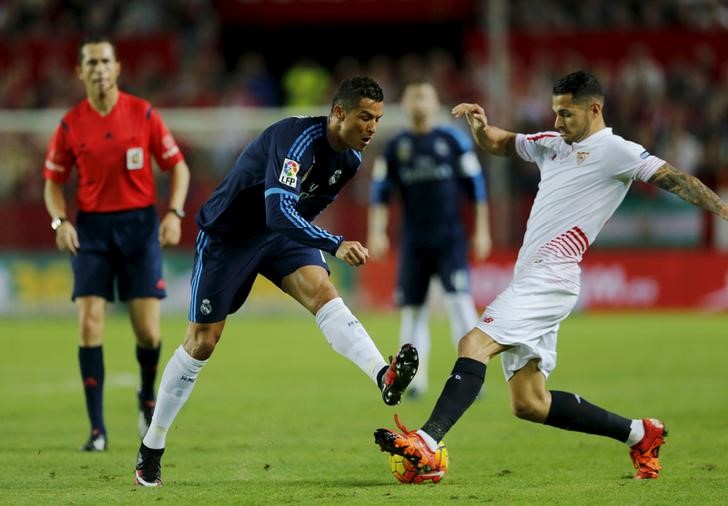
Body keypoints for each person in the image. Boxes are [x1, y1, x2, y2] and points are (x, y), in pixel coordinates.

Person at [374, 70, 728, 480]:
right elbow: (503, 143)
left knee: (474, 342)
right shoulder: (553, 145)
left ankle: (428, 441)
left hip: (552, 275)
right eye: (555, 112)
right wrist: (480, 127)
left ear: (594, 109)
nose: (558, 122)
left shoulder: (617, 151)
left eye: (566, 114)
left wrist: (722, 210)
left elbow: (675, 179)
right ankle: (639, 434)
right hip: (533, 277)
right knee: (529, 402)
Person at [134, 76, 419, 487]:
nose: (372, 127)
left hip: (279, 235)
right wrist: (335, 244)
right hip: (228, 237)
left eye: (377, 118)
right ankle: (152, 448)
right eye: (364, 117)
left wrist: (320, 247)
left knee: (323, 291)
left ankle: (383, 375)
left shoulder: (350, 162)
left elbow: (298, 214)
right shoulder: (296, 139)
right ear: (338, 113)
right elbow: (279, 211)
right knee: (202, 343)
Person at [43, 37, 191, 452]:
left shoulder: (142, 113)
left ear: (118, 67)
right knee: (90, 321)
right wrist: (60, 222)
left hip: (140, 226)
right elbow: (52, 183)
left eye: (105, 61)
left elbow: (177, 168)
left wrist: (175, 214)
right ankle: (97, 430)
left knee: (146, 330)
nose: (99, 68)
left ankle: (146, 397)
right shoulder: (71, 124)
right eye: (90, 62)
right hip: (92, 231)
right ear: (80, 71)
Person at [368, 80, 492, 398]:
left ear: (436, 102)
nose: (419, 101)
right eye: (413, 96)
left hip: (450, 239)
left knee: (460, 306)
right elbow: (380, 194)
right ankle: (414, 381)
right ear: (405, 104)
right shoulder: (396, 147)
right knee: (412, 311)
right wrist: (377, 231)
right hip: (414, 243)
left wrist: (482, 230)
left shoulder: (453, 140)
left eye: (424, 95)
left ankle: (471, 378)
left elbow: (477, 188)